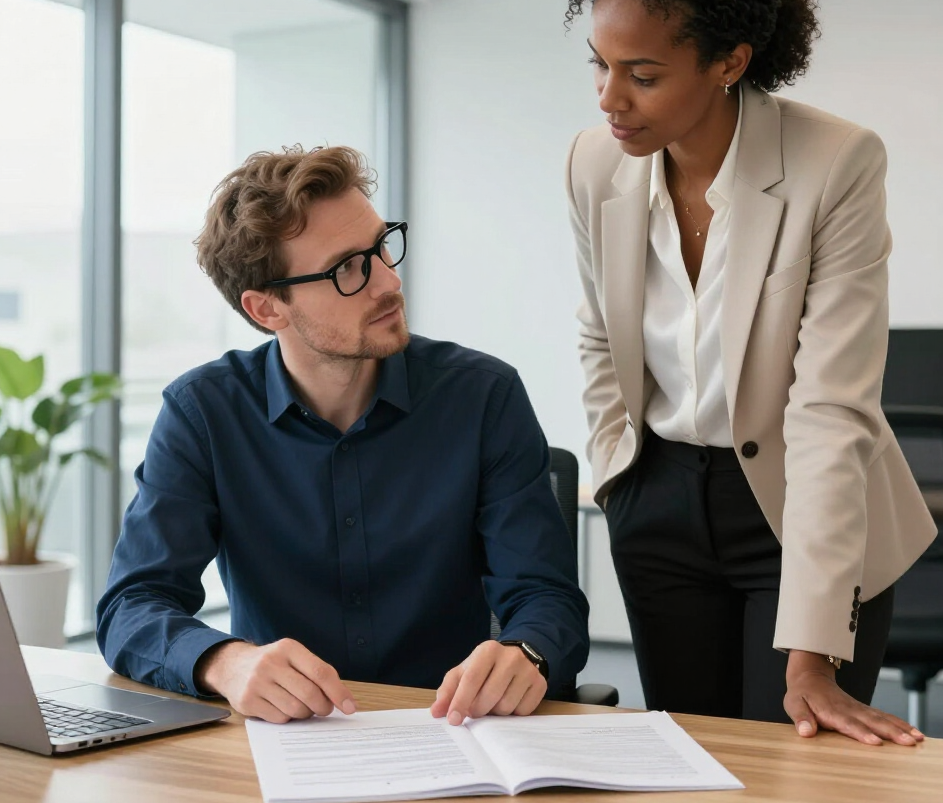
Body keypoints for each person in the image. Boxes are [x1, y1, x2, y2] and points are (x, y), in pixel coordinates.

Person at [563, 0, 935, 745]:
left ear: (730, 61)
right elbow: (599, 334)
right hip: (656, 498)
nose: (610, 100)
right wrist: (620, 473)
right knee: (688, 770)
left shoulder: (835, 163)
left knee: (792, 776)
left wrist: (811, 653)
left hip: (799, 498)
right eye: (600, 65)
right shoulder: (592, 163)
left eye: (644, 74)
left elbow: (833, 408)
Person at [97, 144, 588, 726]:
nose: (387, 280)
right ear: (266, 309)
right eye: (348, 268)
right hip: (285, 743)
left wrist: (524, 653)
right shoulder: (203, 413)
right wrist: (224, 663)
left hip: (455, 732)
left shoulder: (484, 396)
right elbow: (132, 605)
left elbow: (545, 597)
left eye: (381, 247)